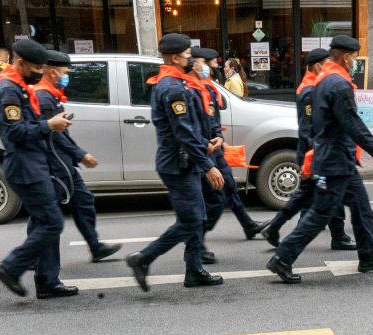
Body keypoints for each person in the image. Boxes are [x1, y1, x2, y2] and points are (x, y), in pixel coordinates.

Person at [266, 35, 373, 284]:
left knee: (361, 208)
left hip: (338, 158)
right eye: (354, 58)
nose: (355, 63)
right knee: (320, 214)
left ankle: (369, 257)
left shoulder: (323, 81)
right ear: (346, 57)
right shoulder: (338, 84)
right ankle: (282, 258)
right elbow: (352, 124)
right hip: (335, 160)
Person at [124, 33, 225, 292]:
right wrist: (208, 165)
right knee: (192, 220)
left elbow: (193, 126)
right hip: (178, 164)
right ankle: (143, 258)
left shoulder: (181, 83)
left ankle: (194, 270)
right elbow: (182, 132)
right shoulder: (172, 88)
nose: (192, 59)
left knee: (196, 217)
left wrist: (208, 141)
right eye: (188, 55)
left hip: (188, 160)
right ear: (174, 58)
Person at [0, 39, 79, 299]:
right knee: (51, 223)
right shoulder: (9, 91)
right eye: (37, 68)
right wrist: (48, 125)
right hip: (25, 166)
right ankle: (11, 267)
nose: (41, 73)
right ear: (21, 63)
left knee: (44, 222)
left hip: (34, 163)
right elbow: (15, 132)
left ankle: (47, 281)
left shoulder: (19, 87)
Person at [33, 50, 122, 263]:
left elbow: (61, 132)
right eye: (65, 72)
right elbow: (54, 137)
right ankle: (31, 256)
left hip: (63, 162)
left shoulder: (51, 95)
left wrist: (77, 154)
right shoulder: (43, 97)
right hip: (54, 164)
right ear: (53, 73)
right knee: (46, 214)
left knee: (83, 201)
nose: (66, 76)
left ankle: (95, 246)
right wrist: (80, 155)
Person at [191, 47, 269, 262]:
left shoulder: (208, 87)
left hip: (216, 148)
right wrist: (207, 142)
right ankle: (196, 241)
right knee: (216, 199)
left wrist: (218, 137)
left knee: (230, 187)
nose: (217, 66)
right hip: (205, 151)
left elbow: (212, 120)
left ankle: (248, 224)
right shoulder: (195, 89)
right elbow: (194, 126)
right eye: (213, 63)